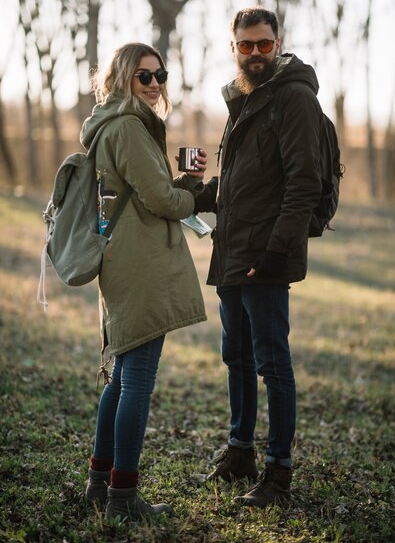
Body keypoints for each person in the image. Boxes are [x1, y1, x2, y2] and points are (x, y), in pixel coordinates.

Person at [195, 7, 323, 507]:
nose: (254, 53)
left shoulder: (293, 98)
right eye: (245, 45)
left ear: (277, 44)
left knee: (273, 364)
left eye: (263, 44)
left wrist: (276, 253)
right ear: (233, 48)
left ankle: (278, 474)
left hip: (264, 257)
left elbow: (304, 184)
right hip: (231, 250)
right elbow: (243, 182)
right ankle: (240, 451)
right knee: (237, 359)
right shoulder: (242, 101)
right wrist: (197, 193)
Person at [82, 42, 207, 521]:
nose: (155, 85)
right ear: (121, 79)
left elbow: (141, 193)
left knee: (120, 377)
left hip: (123, 259)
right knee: (137, 380)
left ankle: (100, 483)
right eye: (144, 77)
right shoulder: (130, 128)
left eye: (160, 76)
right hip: (141, 265)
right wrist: (194, 193)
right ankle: (122, 497)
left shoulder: (109, 124)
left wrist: (182, 185)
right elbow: (159, 199)